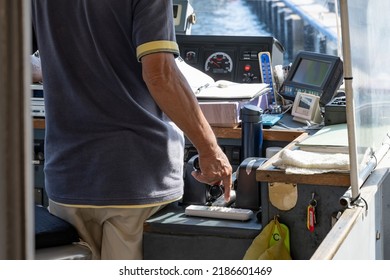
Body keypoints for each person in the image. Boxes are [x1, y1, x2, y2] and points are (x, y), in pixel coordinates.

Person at [31, 0, 232, 260]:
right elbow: (160, 75)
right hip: (135, 180)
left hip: (67, 177)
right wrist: (209, 148)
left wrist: (47, 67)